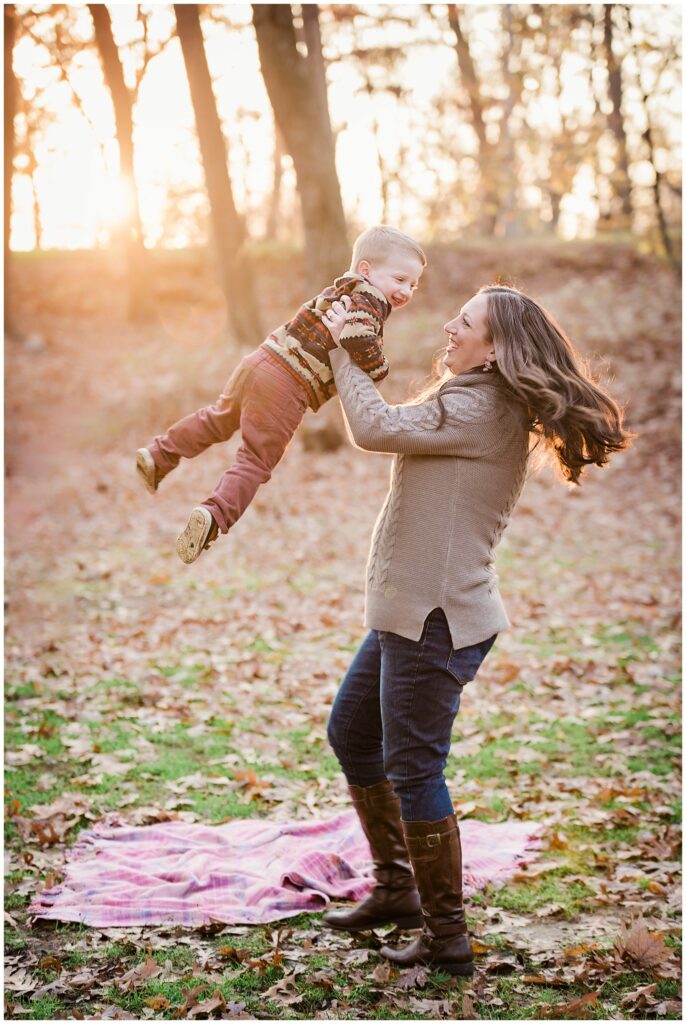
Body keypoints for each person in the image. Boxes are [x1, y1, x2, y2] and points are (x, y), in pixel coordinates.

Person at [321, 284, 631, 976]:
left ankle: (446, 937)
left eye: (465, 323)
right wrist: (362, 351)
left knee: (414, 767)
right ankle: (400, 888)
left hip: (437, 620)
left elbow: (373, 428)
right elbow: (392, 416)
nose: (449, 327)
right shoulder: (473, 398)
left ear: (496, 347)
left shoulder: (480, 405)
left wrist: (344, 352)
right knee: (352, 731)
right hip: (411, 613)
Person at [136, 226, 426, 563]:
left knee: (218, 419)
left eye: (413, 285)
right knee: (256, 460)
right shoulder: (370, 300)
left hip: (262, 359)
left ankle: (159, 454)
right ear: (366, 270)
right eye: (400, 279)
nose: (406, 291)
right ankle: (215, 515)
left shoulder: (340, 289)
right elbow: (359, 337)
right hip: (289, 383)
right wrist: (380, 368)